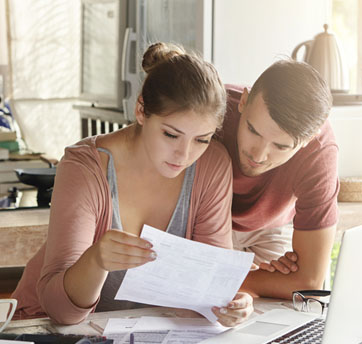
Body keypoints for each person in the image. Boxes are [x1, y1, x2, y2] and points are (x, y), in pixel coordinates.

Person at [12, 42, 253, 327]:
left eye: (201, 139)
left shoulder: (212, 164)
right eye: (171, 135)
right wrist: (96, 261)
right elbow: (61, 313)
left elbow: (204, 293)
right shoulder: (84, 167)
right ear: (141, 110)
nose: (184, 155)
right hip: (44, 333)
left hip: (136, 340)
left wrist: (230, 304)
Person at [220, 60, 339, 299]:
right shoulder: (212, 109)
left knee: (281, 314)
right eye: (253, 130)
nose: (258, 155)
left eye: (281, 146)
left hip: (269, 228)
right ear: (243, 101)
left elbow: (309, 283)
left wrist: (224, 278)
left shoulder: (320, 152)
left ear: (309, 139)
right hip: (204, 223)